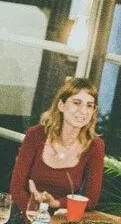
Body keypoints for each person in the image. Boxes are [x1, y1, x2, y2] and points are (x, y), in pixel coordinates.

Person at [9, 77, 105, 216]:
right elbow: (16, 188)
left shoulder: (95, 146)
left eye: (89, 105)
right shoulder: (36, 134)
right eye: (76, 103)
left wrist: (56, 203)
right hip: (25, 214)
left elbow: (90, 200)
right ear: (61, 105)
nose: (83, 111)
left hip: (61, 218)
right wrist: (33, 213)